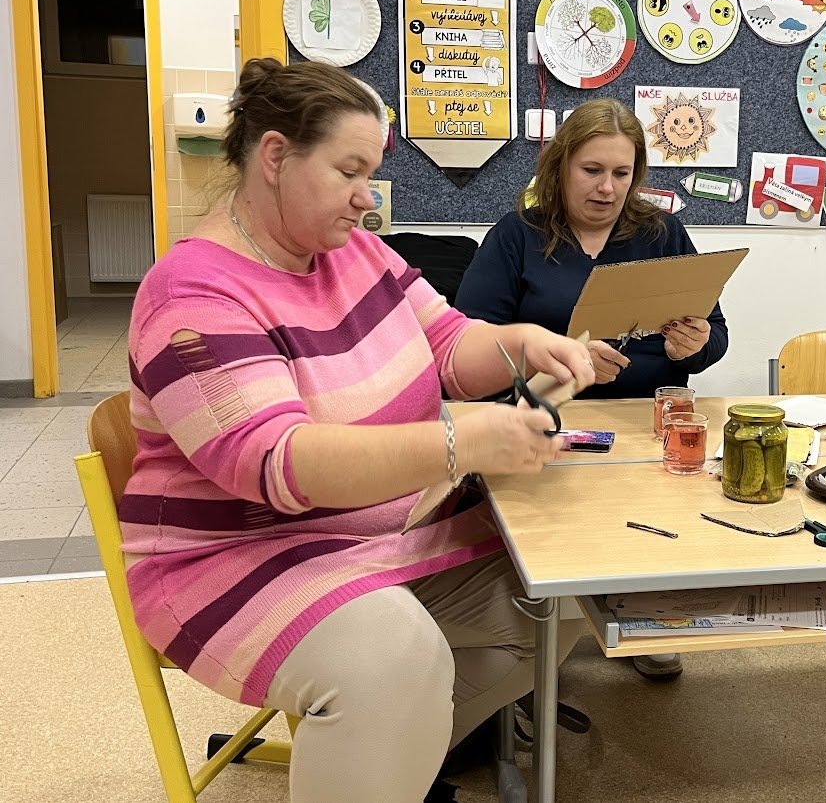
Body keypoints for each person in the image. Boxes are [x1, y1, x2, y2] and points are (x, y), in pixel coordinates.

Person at [121, 57, 596, 803]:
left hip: (378, 535)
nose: (366, 197)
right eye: (349, 172)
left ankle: (386, 761)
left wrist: (522, 344)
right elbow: (279, 464)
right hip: (233, 560)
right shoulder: (194, 294)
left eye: (369, 174)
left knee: (560, 594)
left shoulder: (356, 251)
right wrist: (460, 445)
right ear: (275, 156)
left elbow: (448, 346)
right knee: (391, 659)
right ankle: (378, 742)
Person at [455, 98, 730, 679]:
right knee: (556, 532)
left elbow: (716, 334)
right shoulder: (518, 236)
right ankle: (537, 633)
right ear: (560, 166)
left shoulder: (662, 233)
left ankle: (646, 614)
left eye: (622, 173)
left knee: (660, 516)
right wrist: (561, 361)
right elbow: (470, 347)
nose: (608, 188)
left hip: (645, 425)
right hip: (549, 420)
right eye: (592, 170)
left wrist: (695, 346)